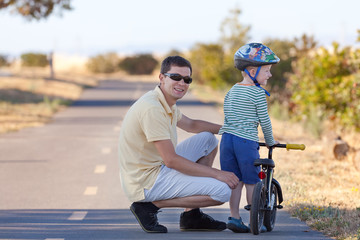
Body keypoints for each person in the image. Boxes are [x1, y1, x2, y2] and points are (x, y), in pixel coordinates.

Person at [118, 56, 239, 233]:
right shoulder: (152, 108)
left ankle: (191, 216)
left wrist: (231, 130)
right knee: (223, 191)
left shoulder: (164, 101)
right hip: (145, 181)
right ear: (161, 78)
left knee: (208, 140)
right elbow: (171, 161)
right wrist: (218, 174)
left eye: (187, 79)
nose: (181, 83)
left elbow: (192, 125)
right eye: (175, 77)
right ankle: (149, 206)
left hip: (156, 168)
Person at [219, 43, 280, 233]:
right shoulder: (257, 93)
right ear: (252, 71)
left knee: (234, 180)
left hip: (227, 140)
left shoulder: (232, 90)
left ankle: (234, 217)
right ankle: (256, 219)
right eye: (267, 70)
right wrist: (270, 141)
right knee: (252, 180)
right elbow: (265, 121)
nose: (269, 75)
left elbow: (227, 114)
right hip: (245, 142)